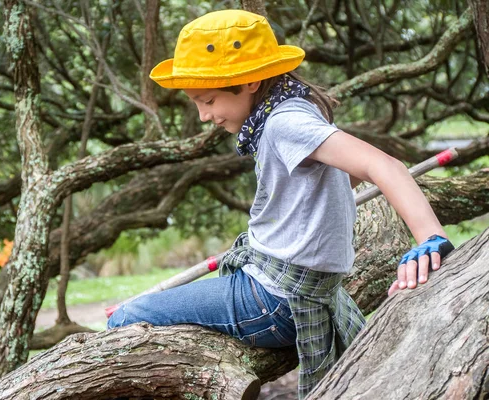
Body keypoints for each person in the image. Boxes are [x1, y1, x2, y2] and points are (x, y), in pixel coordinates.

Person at [107, 9, 454, 398]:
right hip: (284, 288)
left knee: (126, 317)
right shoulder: (292, 107)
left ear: (251, 80)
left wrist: (431, 238)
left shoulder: (282, 123)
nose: (204, 115)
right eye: (196, 103)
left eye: (208, 99)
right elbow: (342, 175)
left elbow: (384, 165)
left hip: (273, 300)